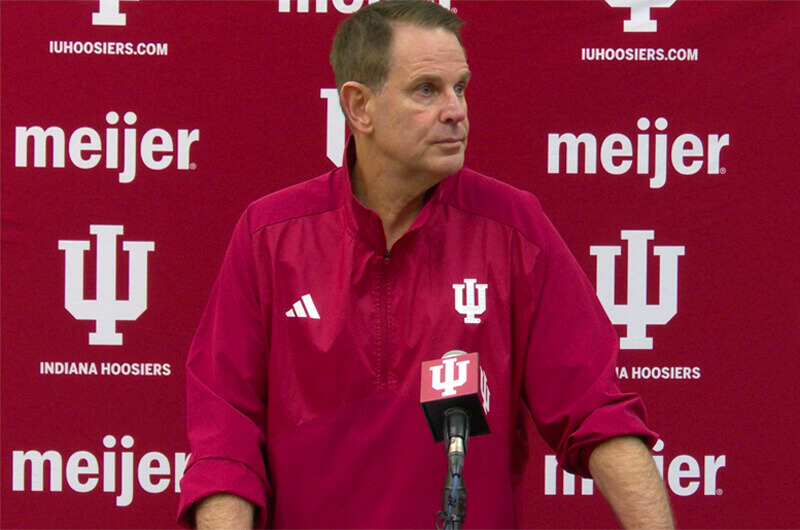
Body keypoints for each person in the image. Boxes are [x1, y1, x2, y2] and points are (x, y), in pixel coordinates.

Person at [178, 1, 674, 528]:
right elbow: (224, 447)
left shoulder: (513, 229)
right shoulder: (269, 234)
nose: (456, 110)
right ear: (359, 107)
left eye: (459, 87)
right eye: (426, 90)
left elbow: (596, 412)